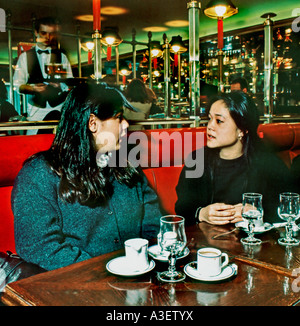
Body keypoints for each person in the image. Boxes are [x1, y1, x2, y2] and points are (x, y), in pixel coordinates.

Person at [11, 82, 161, 271]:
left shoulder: (125, 165)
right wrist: (101, 271)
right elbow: (38, 246)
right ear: (93, 123)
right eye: (119, 118)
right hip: (75, 285)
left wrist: (141, 261)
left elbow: (153, 221)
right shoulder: (39, 173)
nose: (126, 125)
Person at [175, 91, 295, 225]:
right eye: (209, 119)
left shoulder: (268, 163)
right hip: (207, 242)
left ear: (242, 130)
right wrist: (201, 213)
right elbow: (182, 207)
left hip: (253, 241)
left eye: (219, 121)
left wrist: (258, 213)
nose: (209, 126)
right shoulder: (197, 159)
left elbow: (289, 207)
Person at [13, 16, 73, 134]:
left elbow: (69, 83)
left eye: (51, 34)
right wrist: (33, 88)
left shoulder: (62, 56)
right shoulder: (25, 57)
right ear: (36, 32)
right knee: (34, 142)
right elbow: (17, 85)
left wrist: (60, 86)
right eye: (43, 33)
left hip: (58, 107)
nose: (47, 37)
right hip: (36, 109)